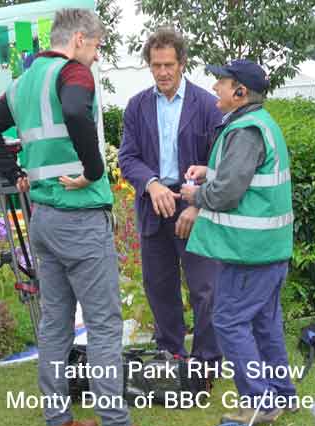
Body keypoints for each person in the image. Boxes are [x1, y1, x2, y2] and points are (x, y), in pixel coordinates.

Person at [0, 9, 164, 426]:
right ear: (79, 40)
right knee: (103, 326)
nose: (96, 58)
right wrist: (95, 169)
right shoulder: (72, 72)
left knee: (55, 325)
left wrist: (12, 171)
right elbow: (76, 109)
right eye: (96, 48)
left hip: (44, 221)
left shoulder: (25, 82)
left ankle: (59, 425)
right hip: (79, 219)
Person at [180, 59, 297, 425]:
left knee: (229, 321)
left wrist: (194, 194)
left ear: (240, 92)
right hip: (268, 249)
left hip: (248, 252)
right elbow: (240, 177)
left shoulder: (245, 130)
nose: (215, 88)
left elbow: (228, 193)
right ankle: (282, 395)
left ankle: (260, 402)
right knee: (264, 323)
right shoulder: (260, 123)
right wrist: (208, 172)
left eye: (222, 82)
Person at [118, 27, 222, 367]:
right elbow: (127, 158)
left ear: (182, 64)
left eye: (168, 65)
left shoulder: (207, 105)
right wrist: (151, 183)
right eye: (155, 65)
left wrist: (197, 203)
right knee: (159, 288)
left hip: (194, 206)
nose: (162, 72)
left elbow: (220, 163)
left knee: (205, 290)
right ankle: (170, 355)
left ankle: (206, 361)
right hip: (154, 204)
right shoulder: (136, 106)